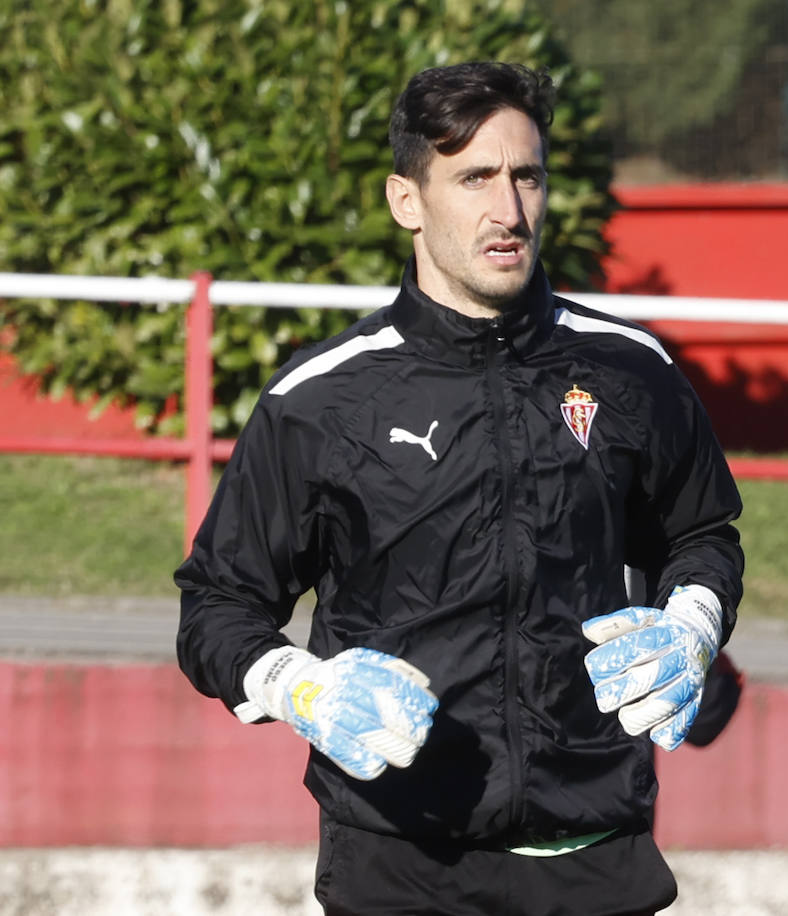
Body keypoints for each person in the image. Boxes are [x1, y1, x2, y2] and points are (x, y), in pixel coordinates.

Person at [174, 61, 744, 916]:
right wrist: (301, 686)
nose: (508, 211)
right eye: (474, 177)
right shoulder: (321, 401)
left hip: (597, 855)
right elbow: (217, 606)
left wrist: (692, 629)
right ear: (408, 199)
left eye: (527, 177)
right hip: (399, 866)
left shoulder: (633, 371)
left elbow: (702, 539)